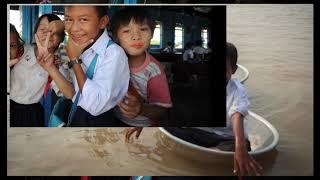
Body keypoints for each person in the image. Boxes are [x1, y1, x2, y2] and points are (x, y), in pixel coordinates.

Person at [37, 6, 130, 127]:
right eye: (69, 20)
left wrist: (74, 61)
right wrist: (50, 67)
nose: (74, 29)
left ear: (102, 22)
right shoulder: (76, 46)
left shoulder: (114, 54)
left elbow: (95, 106)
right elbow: (72, 94)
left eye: (84, 20)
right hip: (77, 116)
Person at [110, 7, 172, 138]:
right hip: (114, 119)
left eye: (143, 29)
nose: (136, 36)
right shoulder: (111, 61)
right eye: (127, 31)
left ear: (152, 34)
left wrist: (141, 109)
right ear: (116, 37)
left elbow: (162, 110)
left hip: (142, 128)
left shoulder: (154, 71)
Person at [10, 14, 65, 127]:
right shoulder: (21, 51)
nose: (48, 34)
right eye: (43, 29)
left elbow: (65, 92)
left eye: (54, 32)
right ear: (35, 33)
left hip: (31, 113)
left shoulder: (57, 63)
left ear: (61, 38)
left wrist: (54, 68)